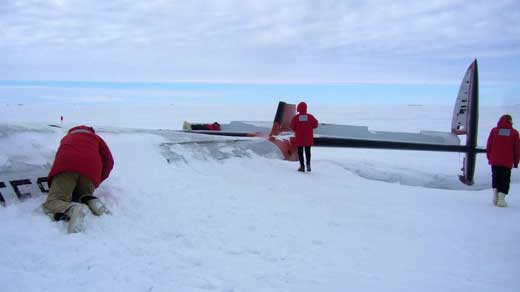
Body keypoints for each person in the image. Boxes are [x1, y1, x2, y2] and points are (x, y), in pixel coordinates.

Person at [42, 125, 114, 233]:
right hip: (91, 171)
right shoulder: (97, 139)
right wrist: (96, 180)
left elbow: (60, 158)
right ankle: (91, 201)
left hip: (67, 167)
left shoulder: (66, 138)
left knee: (54, 201)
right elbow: (109, 162)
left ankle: (73, 208)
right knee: (80, 196)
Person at [486, 114, 519, 207]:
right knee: (505, 179)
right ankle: (501, 199)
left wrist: (490, 157)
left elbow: (489, 145)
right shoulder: (514, 133)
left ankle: (495, 195)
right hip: (507, 162)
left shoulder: (494, 131)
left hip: (495, 160)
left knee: (495, 176)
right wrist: (516, 162)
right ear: (510, 121)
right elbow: (517, 149)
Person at [290, 102, 318, 172]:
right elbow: (315, 125)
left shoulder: (296, 118)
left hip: (299, 138)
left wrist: (297, 129)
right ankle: (308, 165)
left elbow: (292, 126)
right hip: (308, 138)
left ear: (298, 108)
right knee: (308, 151)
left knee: (300, 152)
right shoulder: (310, 117)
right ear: (306, 108)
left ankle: (302, 167)